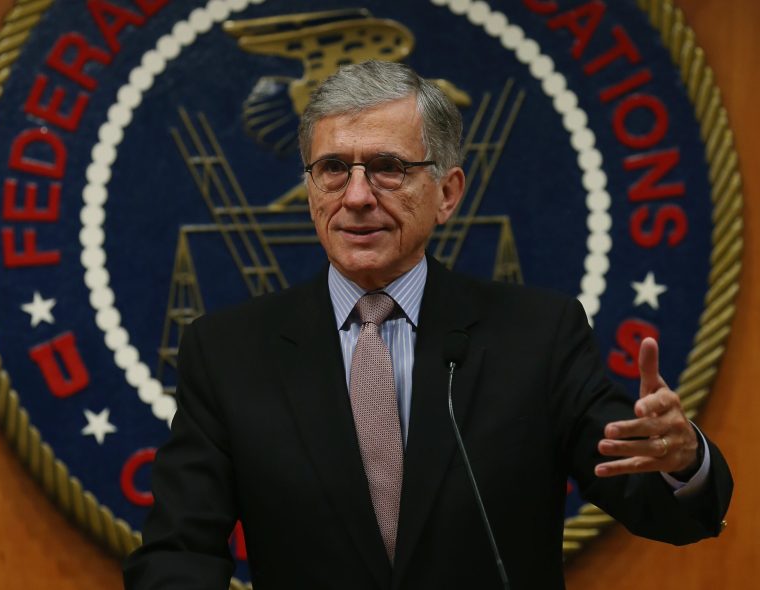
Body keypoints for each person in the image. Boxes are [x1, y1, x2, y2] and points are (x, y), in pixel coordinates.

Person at [123, 61, 732, 590]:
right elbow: (179, 552)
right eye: (334, 168)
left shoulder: (538, 337)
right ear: (312, 191)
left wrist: (681, 463)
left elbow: (659, 508)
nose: (357, 196)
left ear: (447, 192)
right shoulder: (228, 353)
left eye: (387, 167)